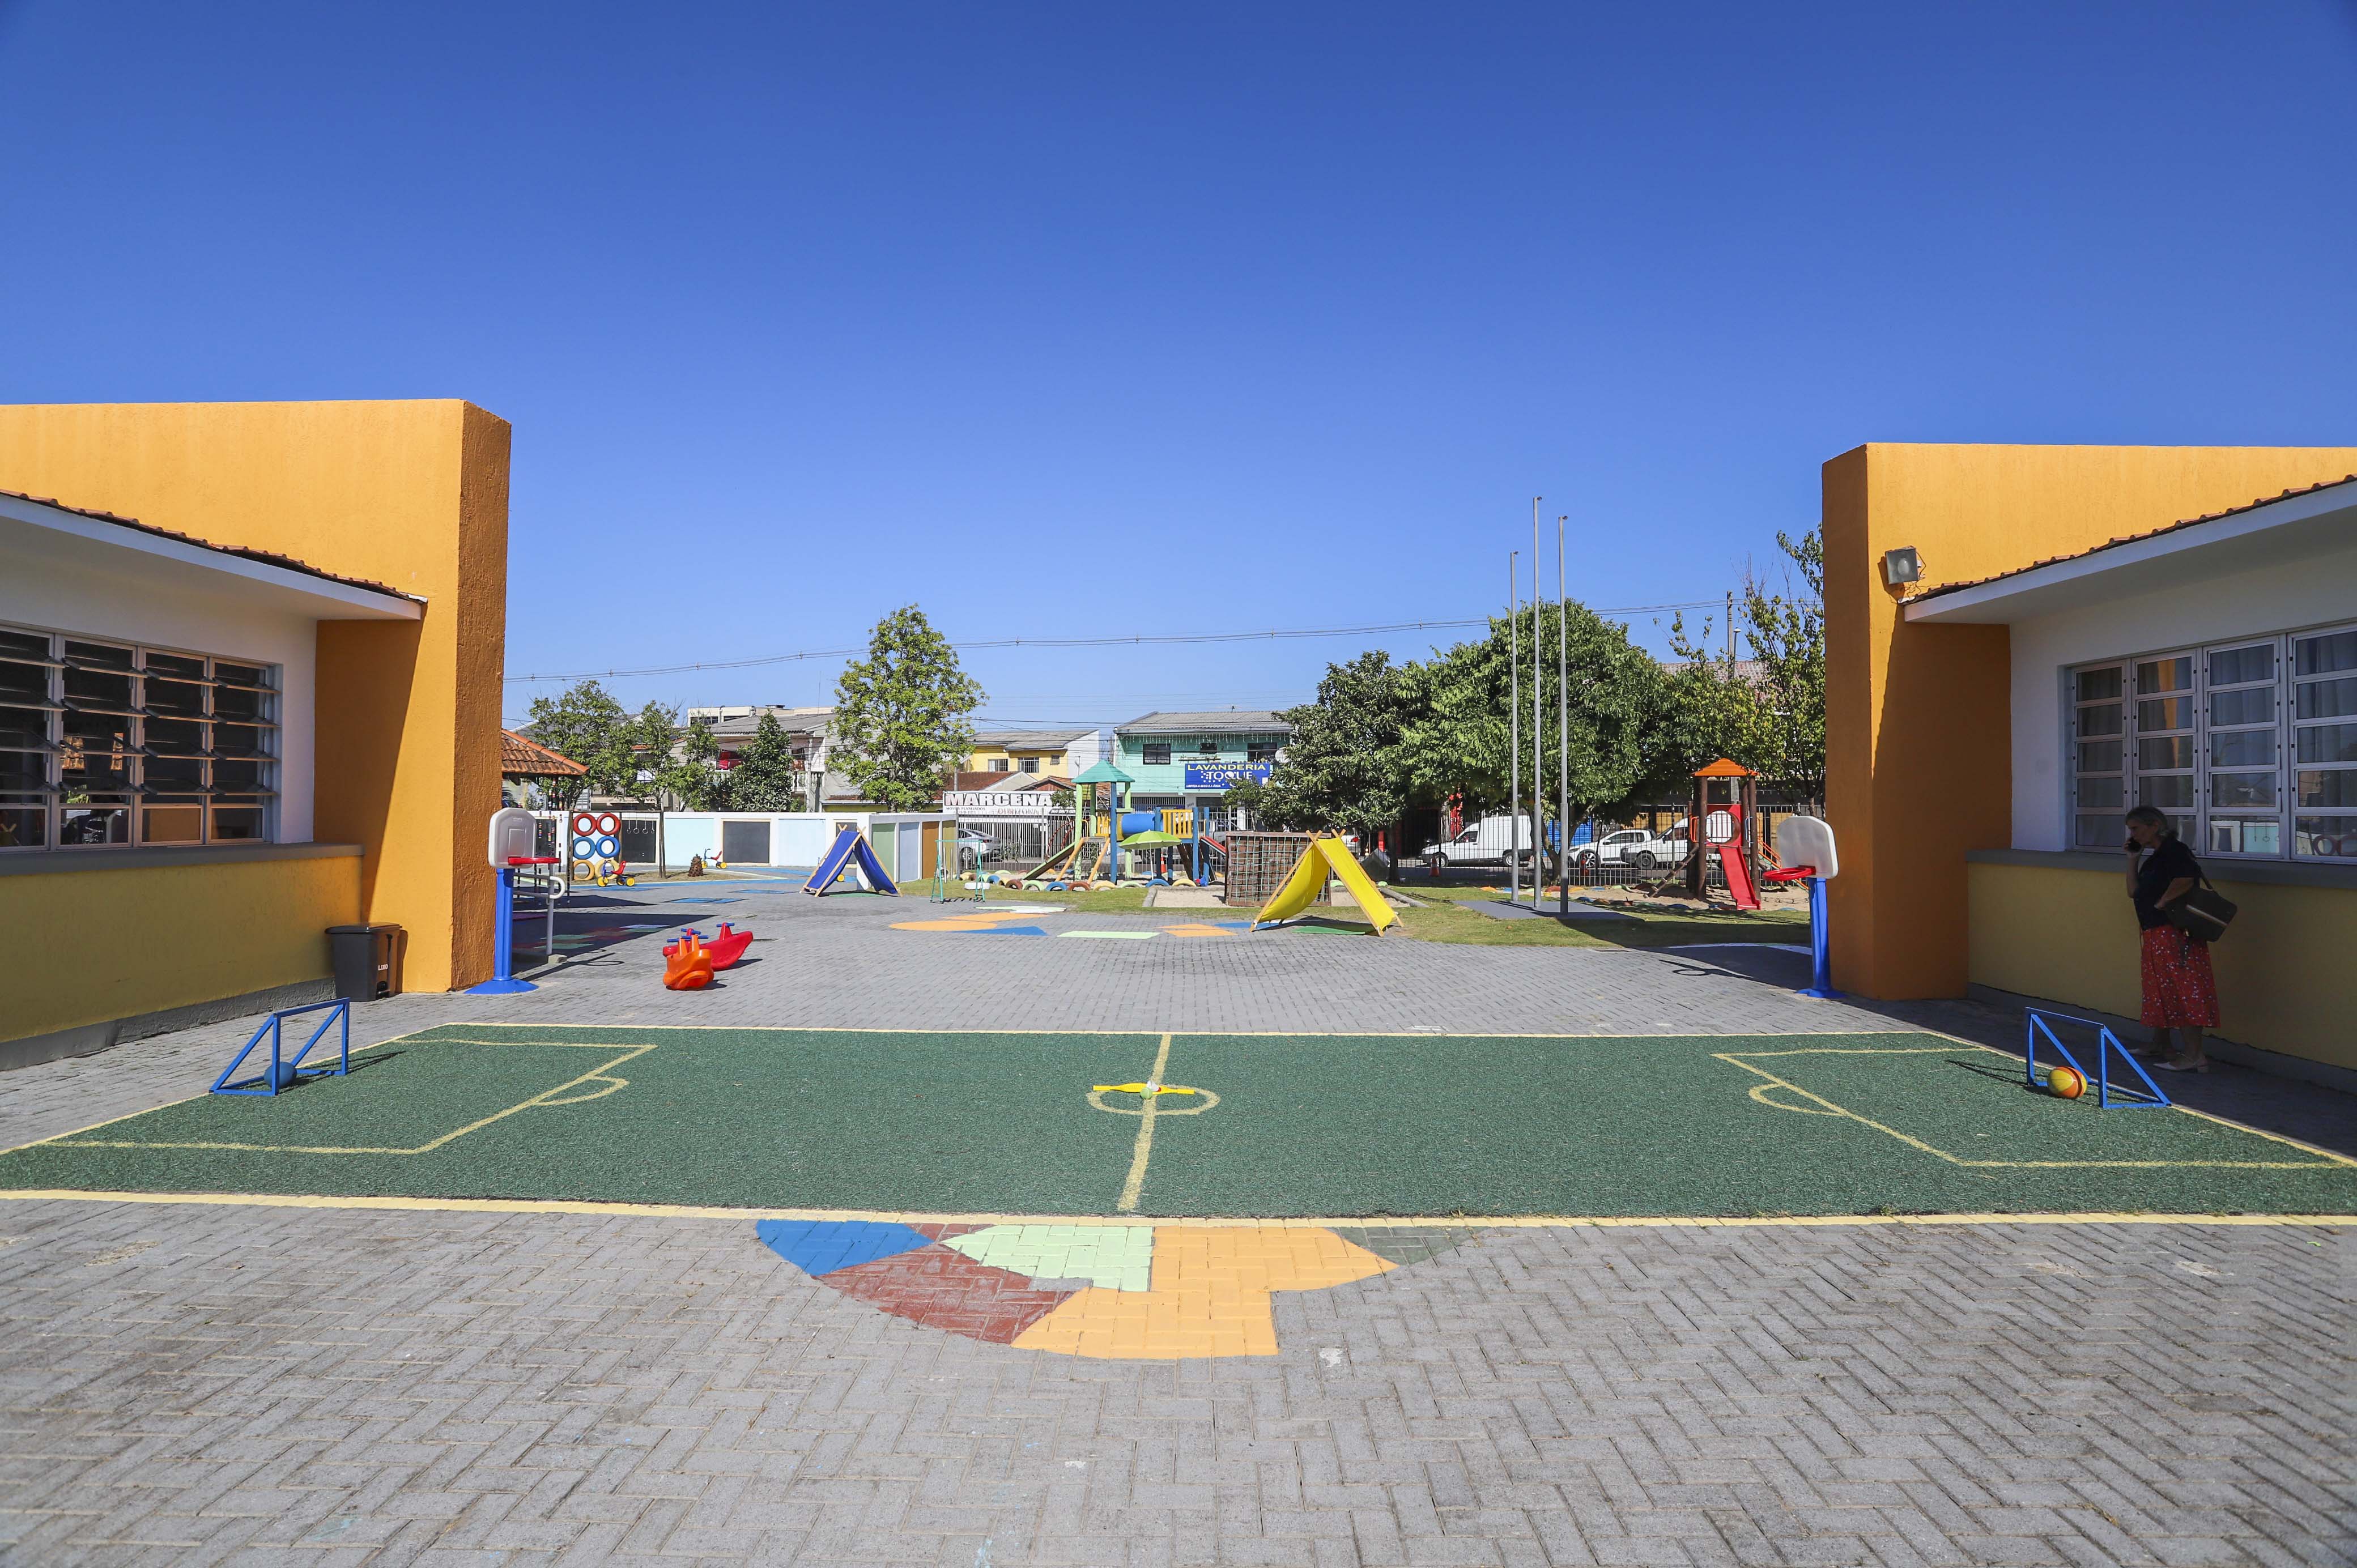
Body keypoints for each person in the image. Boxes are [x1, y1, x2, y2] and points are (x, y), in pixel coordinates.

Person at [2124, 805, 2214, 1071]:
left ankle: (2194, 1055)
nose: (2132, 834)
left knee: (2183, 989)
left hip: (2174, 932)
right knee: (2159, 989)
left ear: (2154, 826)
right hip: (2154, 932)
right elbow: (2133, 891)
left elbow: (2186, 878)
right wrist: (2133, 859)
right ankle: (2161, 1043)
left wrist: (2162, 902)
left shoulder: (2175, 850)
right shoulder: (2155, 858)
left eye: (2136, 828)